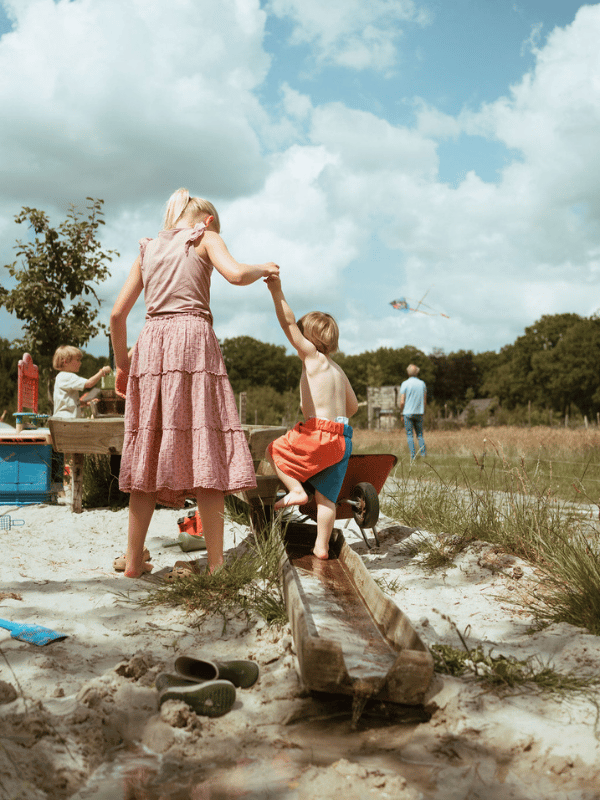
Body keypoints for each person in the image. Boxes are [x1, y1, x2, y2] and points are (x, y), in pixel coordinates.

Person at [110, 188, 279, 578]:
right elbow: (235, 274)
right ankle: (218, 566)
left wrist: (123, 366)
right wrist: (264, 268)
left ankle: (134, 561)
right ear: (207, 221)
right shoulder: (206, 236)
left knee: (149, 447)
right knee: (207, 445)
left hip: (150, 342)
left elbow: (118, 316)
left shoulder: (148, 248)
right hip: (192, 340)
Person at [265, 276, 358, 560]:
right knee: (326, 497)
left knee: (275, 450)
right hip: (342, 437)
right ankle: (321, 547)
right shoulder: (337, 369)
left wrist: (276, 290)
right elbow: (352, 406)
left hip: (318, 431)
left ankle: (295, 491)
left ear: (309, 340)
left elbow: (288, 324)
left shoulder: (313, 358)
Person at [52, 346, 111, 418]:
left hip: (62, 419)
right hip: (67, 420)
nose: (80, 363)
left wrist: (85, 403)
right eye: (77, 360)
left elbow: (67, 402)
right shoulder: (67, 376)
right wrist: (102, 372)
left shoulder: (61, 377)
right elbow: (89, 383)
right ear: (66, 362)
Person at [399, 364, 427, 459]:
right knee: (420, 435)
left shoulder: (405, 384)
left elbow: (402, 401)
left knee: (410, 435)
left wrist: (401, 412)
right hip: (419, 412)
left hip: (408, 412)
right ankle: (423, 454)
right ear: (417, 372)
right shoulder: (422, 383)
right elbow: (424, 400)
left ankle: (413, 456)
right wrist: (423, 410)